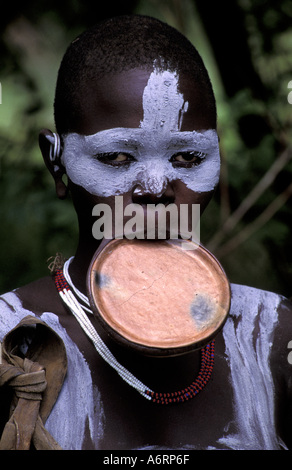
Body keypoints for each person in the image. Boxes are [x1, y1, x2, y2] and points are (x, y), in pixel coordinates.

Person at [0, 14, 292, 451]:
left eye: (189, 157)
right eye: (117, 157)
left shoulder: (273, 335)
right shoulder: (11, 342)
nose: (155, 190)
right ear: (57, 162)